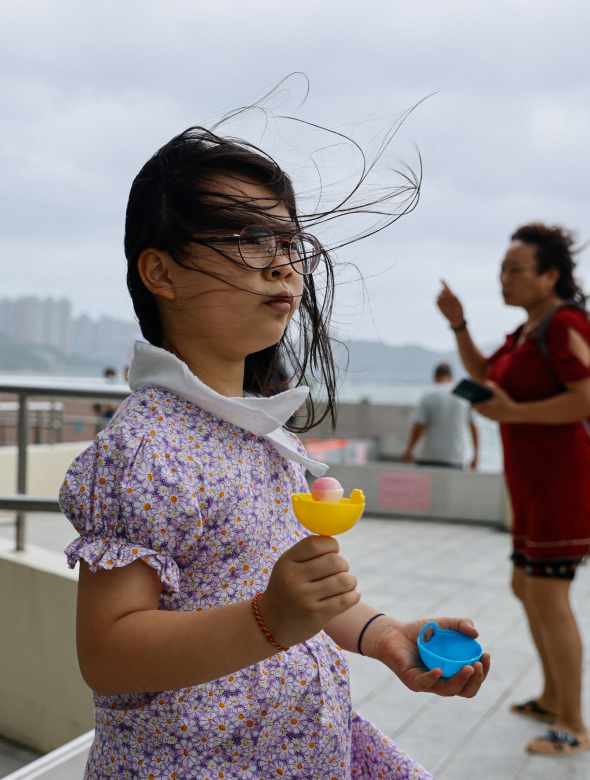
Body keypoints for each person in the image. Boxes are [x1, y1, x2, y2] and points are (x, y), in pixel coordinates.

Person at [59, 127, 489, 778]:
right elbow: (109, 651)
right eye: (248, 238)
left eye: (289, 242)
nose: (282, 262)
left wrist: (384, 635)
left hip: (299, 751)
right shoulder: (145, 449)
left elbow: (302, 601)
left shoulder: (268, 431)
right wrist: (270, 619)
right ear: (160, 272)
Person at [437, 222, 590, 756]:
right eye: (502, 269)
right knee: (525, 587)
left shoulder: (564, 325)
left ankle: (574, 725)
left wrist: (514, 412)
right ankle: (554, 696)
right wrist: (459, 324)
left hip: (563, 485)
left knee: (549, 596)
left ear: (550, 275)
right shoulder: (529, 330)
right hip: (532, 486)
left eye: (515, 269)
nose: (503, 278)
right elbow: (488, 372)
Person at [401, 362, 479, 469]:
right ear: (452, 376)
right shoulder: (463, 396)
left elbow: (419, 426)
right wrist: (476, 456)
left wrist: (408, 450)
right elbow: (473, 427)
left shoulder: (428, 396)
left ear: (434, 377)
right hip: (456, 457)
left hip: (428, 456)